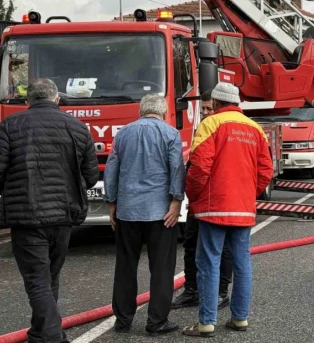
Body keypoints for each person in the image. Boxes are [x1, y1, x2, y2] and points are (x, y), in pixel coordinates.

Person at [0, 79, 99, 343]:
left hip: (27, 216)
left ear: (27, 101)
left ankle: (52, 336)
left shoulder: (10, 126)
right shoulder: (78, 128)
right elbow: (90, 176)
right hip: (65, 216)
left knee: (37, 280)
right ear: (57, 100)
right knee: (49, 278)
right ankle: (39, 334)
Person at [182, 83, 273, 338]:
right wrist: (246, 194)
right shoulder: (255, 129)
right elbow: (266, 170)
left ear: (218, 103)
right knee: (241, 262)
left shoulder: (211, 124)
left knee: (209, 261)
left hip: (214, 206)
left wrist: (194, 197)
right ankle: (240, 318)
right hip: (242, 208)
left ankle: (206, 322)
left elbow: (199, 168)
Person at [105, 94, 185, 336]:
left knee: (125, 266)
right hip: (161, 213)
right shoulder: (170, 134)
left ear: (141, 111)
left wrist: (112, 204)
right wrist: (176, 202)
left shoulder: (123, 134)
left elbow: (111, 169)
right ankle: (157, 321)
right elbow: (177, 170)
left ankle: (123, 320)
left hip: (128, 211)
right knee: (161, 267)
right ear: (163, 112)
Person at [172, 89, 233, 311]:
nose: (206, 112)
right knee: (190, 243)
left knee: (223, 247)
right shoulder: (201, 128)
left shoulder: (222, 129)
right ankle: (191, 290)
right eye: (203, 108)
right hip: (199, 200)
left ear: (217, 105)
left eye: (210, 107)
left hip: (216, 200)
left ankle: (221, 292)